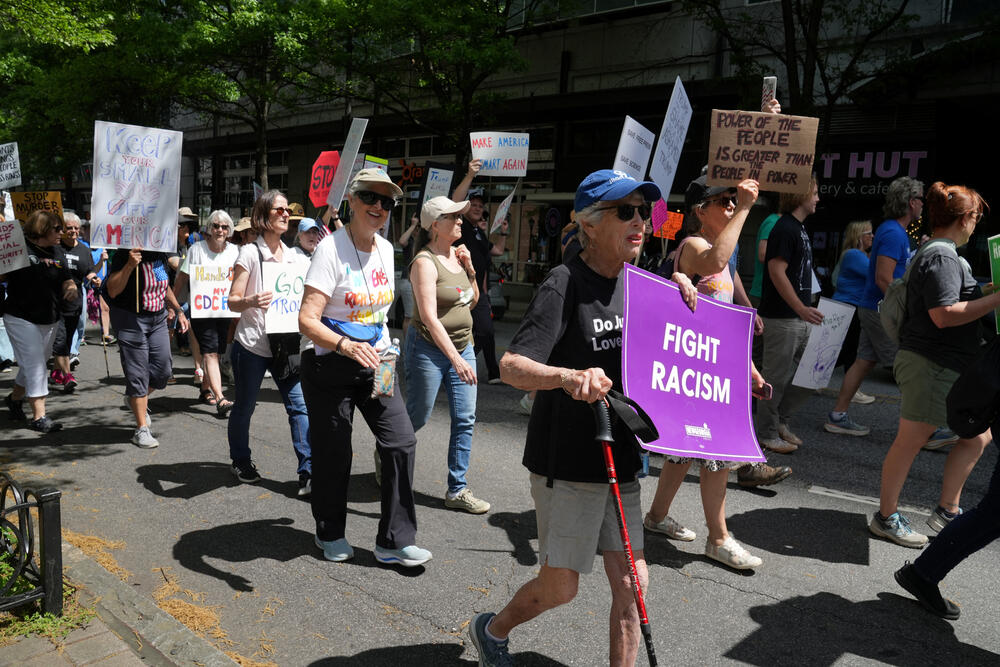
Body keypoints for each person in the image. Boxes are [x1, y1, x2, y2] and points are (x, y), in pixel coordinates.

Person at [468, 169, 698, 666]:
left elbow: (687, 345)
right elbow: (511, 367)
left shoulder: (643, 281)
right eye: (625, 211)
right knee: (561, 588)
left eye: (643, 211)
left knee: (634, 589)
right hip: (569, 462)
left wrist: (681, 286)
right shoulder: (563, 282)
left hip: (625, 461)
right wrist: (568, 377)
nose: (639, 221)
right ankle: (493, 628)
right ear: (589, 224)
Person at [643, 175, 789, 571]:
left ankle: (655, 518)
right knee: (717, 456)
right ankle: (719, 539)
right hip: (693, 374)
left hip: (711, 371)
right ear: (698, 211)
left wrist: (751, 371)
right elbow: (716, 262)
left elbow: (719, 329)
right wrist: (744, 207)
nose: (730, 204)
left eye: (732, 200)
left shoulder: (722, 256)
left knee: (682, 454)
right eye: (722, 199)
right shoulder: (694, 247)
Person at [298, 168, 431, 567]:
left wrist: (385, 348)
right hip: (328, 362)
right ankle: (330, 531)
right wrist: (344, 345)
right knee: (335, 452)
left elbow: (377, 310)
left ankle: (394, 540)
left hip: (377, 361)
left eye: (387, 202)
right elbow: (307, 320)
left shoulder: (386, 249)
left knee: (401, 441)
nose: (379, 207)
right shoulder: (330, 250)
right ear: (351, 201)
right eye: (371, 198)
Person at [869, 182, 999, 548]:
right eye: (975, 217)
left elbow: (953, 300)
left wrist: (987, 292)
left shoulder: (939, 253)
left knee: (976, 437)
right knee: (911, 441)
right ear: (965, 219)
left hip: (940, 362)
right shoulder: (942, 256)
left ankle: (947, 510)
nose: (976, 225)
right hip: (931, 362)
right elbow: (943, 314)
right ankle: (886, 516)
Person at [404, 195, 489, 514]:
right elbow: (428, 317)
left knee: (465, 419)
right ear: (434, 225)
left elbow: (472, 301)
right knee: (418, 415)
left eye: (460, 216)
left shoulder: (458, 254)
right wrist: (455, 359)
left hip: (462, 345)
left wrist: (468, 270)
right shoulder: (424, 263)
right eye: (453, 217)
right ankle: (389, 451)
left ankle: (457, 489)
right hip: (428, 348)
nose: (460, 221)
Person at [226, 190, 312, 491]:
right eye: (279, 210)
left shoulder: (294, 256)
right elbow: (232, 301)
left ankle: (308, 471)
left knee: (299, 406)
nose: (286, 214)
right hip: (251, 346)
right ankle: (240, 459)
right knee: (245, 407)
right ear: (264, 216)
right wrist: (250, 299)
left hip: (285, 344)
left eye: (287, 210)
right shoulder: (249, 252)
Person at [826, 178, 924, 438]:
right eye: (921, 199)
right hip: (881, 310)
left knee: (864, 361)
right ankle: (925, 429)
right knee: (907, 367)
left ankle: (838, 416)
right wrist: (904, 309)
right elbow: (883, 278)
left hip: (871, 306)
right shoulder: (894, 233)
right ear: (912, 203)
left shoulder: (892, 230)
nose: (923, 205)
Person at [755, 176, 823, 454]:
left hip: (798, 318)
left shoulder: (799, 229)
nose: (818, 198)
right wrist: (800, 307)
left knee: (803, 377)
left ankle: (780, 423)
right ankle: (766, 433)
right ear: (801, 195)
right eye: (815, 193)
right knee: (775, 378)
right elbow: (776, 270)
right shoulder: (785, 228)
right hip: (783, 318)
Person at [106, 245, 188, 448]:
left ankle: (135, 397)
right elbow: (112, 290)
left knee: (163, 370)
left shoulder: (159, 253)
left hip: (157, 318)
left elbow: (163, 284)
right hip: (129, 319)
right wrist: (129, 266)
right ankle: (141, 429)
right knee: (138, 374)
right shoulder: (125, 253)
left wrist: (177, 309)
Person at [1, 210, 76, 432]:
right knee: (35, 365)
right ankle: (39, 417)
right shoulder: (18, 246)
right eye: (57, 229)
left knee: (33, 364)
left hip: (49, 317)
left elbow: (66, 278)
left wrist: (70, 287)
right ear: (42, 229)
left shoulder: (57, 251)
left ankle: (15, 399)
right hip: (20, 316)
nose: (61, 232)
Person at [173, 210, 239, 416]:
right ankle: (220, 397)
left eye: (224, 227)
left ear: (229, 231)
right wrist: (173, 306)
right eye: (216, 226)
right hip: (201, 311)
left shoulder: (235, 251)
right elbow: (182, 278)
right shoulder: (196, 250)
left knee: (216, 352)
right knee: (209, 351)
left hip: (224, 310)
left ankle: (204, 389)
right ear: (209, 228)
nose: (220, 230)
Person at [452, 160, 508, 384]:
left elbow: (498, 251)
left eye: (480, 206)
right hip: (461, 290)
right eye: (472, 204)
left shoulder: (478, 232)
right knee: (479, 332)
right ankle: (488, 371)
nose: (477, 208)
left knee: (482, 332)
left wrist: (503, 232)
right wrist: (469, 175)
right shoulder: (461, 226)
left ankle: (461, 367)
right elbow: (455, 201)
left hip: (479, 292)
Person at [821, 221, 876, 434]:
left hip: (849, 305)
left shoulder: (857, 255)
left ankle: (826, 380)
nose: (872, 236)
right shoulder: (854, 254)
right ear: (859, 236)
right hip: (847, 305)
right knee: (848, 349)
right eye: (869, 233)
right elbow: (873, 273)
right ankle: (850, 387)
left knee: (845, 348)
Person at [51, 212, 99, 392]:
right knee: (61, 340)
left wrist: (94, 278)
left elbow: (88, 270)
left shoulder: (84, 249)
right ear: (62, 229)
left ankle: (56, 373)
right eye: (69, 228)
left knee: (69, 337)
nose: (73, 231)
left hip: (75, 301)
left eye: (76, 228)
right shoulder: (56, 247)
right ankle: (67, 375)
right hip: (56, 301)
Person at [396, 212, 421, 339]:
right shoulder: (410, 242)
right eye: (416, 228)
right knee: (409, 316)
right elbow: (401, 240)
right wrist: (412, 225)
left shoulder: (425, 243)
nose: (418, 230)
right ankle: (406, 348)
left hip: (422, 283)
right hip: (408, 282)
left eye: (419, 228)